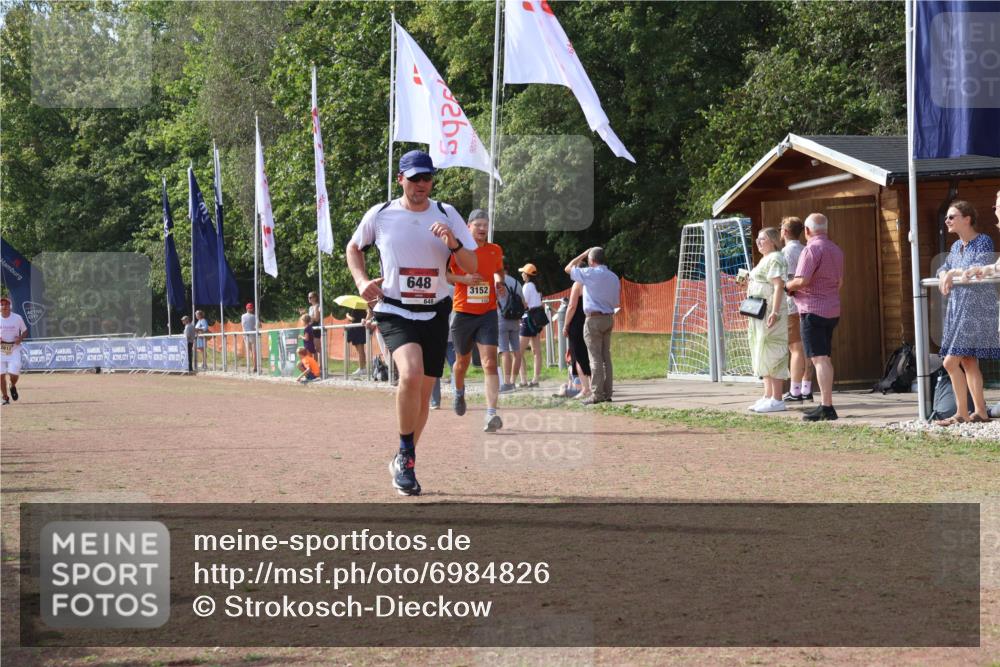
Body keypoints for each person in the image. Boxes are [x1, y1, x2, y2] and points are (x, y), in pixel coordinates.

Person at [346, 149, 476, 496]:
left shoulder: (447, 214)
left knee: (424, 393)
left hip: (435, 310)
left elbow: (472, 262)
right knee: (411, 373)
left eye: (427, 178)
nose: (421, 185)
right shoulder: (382, 214)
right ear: (400, 178)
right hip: (394, 309)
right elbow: (353, 248)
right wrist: (361, 282)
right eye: (414, 178)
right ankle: (406, 457)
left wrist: (453, 242)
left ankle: (405, 455)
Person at [933, 200, 998, 425]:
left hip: (976, 308)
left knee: (950, 362)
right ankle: (979, 411)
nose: (947, 220)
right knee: (968, 360)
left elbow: (977, 267)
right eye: (947, 217)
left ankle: (962, 413)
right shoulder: (955, 247)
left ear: (967, 219)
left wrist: (953, 273)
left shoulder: (983, 241)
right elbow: (945, 266)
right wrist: (945, 274)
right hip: (958, 307)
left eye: (952, 217)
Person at [447, 209, 506, 432]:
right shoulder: (457, 250)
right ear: (468, 226)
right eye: (478, 225)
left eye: (485, 225)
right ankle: (459, 392)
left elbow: (499, 270)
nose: (482, 229)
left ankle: (491, 414)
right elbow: (444, 275)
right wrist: (464, 279)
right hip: (463, 313)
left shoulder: (495, 250)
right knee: (461, 363)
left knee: (490, 363)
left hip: (488, 313)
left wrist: (499, 283)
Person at [785, 213, 844, 422]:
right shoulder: (836, 249)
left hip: (812, 310)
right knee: (824, 358)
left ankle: (826, 407)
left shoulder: (811, 249)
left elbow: (802, 280)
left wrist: (787, 286)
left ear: (808, 231)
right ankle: (826, 404)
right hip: (832, 309)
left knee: (819, 359)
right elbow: (839, 283)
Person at [565, 247, 621, 405]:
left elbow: (568, 268)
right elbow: (616, 301)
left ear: (591, 260)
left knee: (594, 358)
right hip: (609, 317)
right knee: (606, 358)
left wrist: (582, 254)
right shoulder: (613, 277)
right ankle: (607, 392)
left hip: (593, 319)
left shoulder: (589, 273)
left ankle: (596, 393)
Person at [742, 227, 789, 413]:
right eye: (757, 239)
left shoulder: (776, 257)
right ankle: (768, 395)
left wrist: (775, 312)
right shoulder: (765, 258)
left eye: (762, 239)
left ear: (773, 241)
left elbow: (779, 286)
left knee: (773, 352)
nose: (758, 242)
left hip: (770, 312)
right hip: (759, 313)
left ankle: (777, 398)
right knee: (761, 351)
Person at [780, 217, 813, 402]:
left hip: (792, 304)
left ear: (784, 231)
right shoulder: (806, 249)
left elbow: (784, 281)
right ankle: (807, 388)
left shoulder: (785, 252)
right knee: (808, 349)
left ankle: (795, 390)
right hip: (808, 303)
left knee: (796, 348)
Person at [561, 269, 592, 400]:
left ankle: (585, 388)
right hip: (589, 319)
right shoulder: (592, 282)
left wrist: (566, 324)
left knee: (578, 356)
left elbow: (572, 306)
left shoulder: (577, 284)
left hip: (577, 323)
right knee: (590, 355)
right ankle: (592, 386)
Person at [495, 261, 523, 392]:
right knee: (517, 351)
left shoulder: (496, 282)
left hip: (501, 319)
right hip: (515, 320)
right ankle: (513, 381)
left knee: (504, 351)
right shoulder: (517, 283)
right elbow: (524, 303)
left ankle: (506, 383)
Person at [517, 263, 544, 387]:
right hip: (537, 320)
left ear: (527, 275)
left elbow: (524, 304)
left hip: (527, 319)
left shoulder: (527, 286)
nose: (522, 274)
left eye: (523, 272)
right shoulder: (537, 287)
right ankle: (535, 379)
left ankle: (523, 380)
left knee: (518, 351)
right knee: (536, 351)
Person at [0, 296, 28, 405]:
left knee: (14, 373)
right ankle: (5, 398)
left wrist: (20, 338)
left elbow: (25, 331)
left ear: (10, 306)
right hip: (0, 350)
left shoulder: (17, 318)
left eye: (6, 304)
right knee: (1, 375)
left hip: (14, 349)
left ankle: (12, 385)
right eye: (2, 304)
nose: (4, 306)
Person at [344, 307, 368, 377]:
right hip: (358, 330)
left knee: (360, 351)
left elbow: (353, 319)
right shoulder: (362, 308)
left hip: (358, 330)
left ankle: (362, 368)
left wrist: (347, 315)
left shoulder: (357, 308)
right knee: (360, 351)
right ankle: (362, 368)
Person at [241, 303, 258, 373]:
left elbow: (243, 325)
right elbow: (259, 326)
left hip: (246, 335)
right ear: (252, 309)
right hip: (253, 335)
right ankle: (255, 367)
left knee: (249, 351)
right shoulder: (254, 316)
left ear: (246, 309)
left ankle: (248, 367)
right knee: (254, 352)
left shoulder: (243, 316)